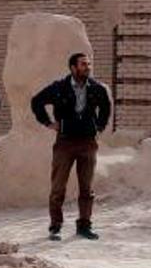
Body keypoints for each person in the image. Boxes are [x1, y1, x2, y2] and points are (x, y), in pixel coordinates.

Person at [30, 52, 111, 241]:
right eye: (83, 64)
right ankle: (55, 226)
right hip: (64, 142)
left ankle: (84, 225)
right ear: (73, 67)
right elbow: (37, 102)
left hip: (88, 143)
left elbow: (105, 108)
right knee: (58, 186)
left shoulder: (96, 88)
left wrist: (98, 127)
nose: (87, 67)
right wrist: (48, 123)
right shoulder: (59, 88)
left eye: (88, 64)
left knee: (86, 187)